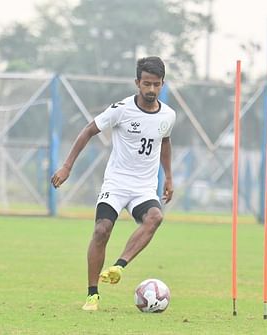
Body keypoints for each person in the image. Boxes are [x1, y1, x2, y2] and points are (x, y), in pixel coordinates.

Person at [50, 56, 176, 310]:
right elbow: (88, 131)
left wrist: (169, 177)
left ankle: (119, 266)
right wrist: (67, 166)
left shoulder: (168, 115)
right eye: (147, 84)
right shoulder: (121, 109)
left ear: (162, 84)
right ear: (137, 83)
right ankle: (92, 295)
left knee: (155, 217)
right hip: (116, 184)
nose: (151, 90)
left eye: (157, 84)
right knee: (101, 230)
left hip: (144, 187)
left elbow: (165, 143)